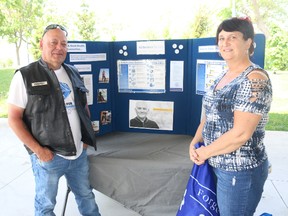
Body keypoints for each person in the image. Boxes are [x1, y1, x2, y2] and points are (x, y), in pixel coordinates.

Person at [7, 24, 101, 216]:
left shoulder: (73, 72)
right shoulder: (25, 76)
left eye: (64, 44)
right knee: (46, 205)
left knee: (86, 196)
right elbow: (14, 119)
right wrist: (39, 151)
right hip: (49, 157)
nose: (59, 47)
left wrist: (84, 139)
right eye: (54, 42)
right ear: (42, 44)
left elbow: (83, 107)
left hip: (78, 155)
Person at [189, 17, 272, 216]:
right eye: (221, 38)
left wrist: (205, 152)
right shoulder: (222, 76)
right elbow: (208, 117)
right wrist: (194, 142)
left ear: (248, 42)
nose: (225, 43)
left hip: (239, 170)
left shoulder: (255, 79)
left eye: (232, 37)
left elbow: (241, 134)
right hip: (213, 163)